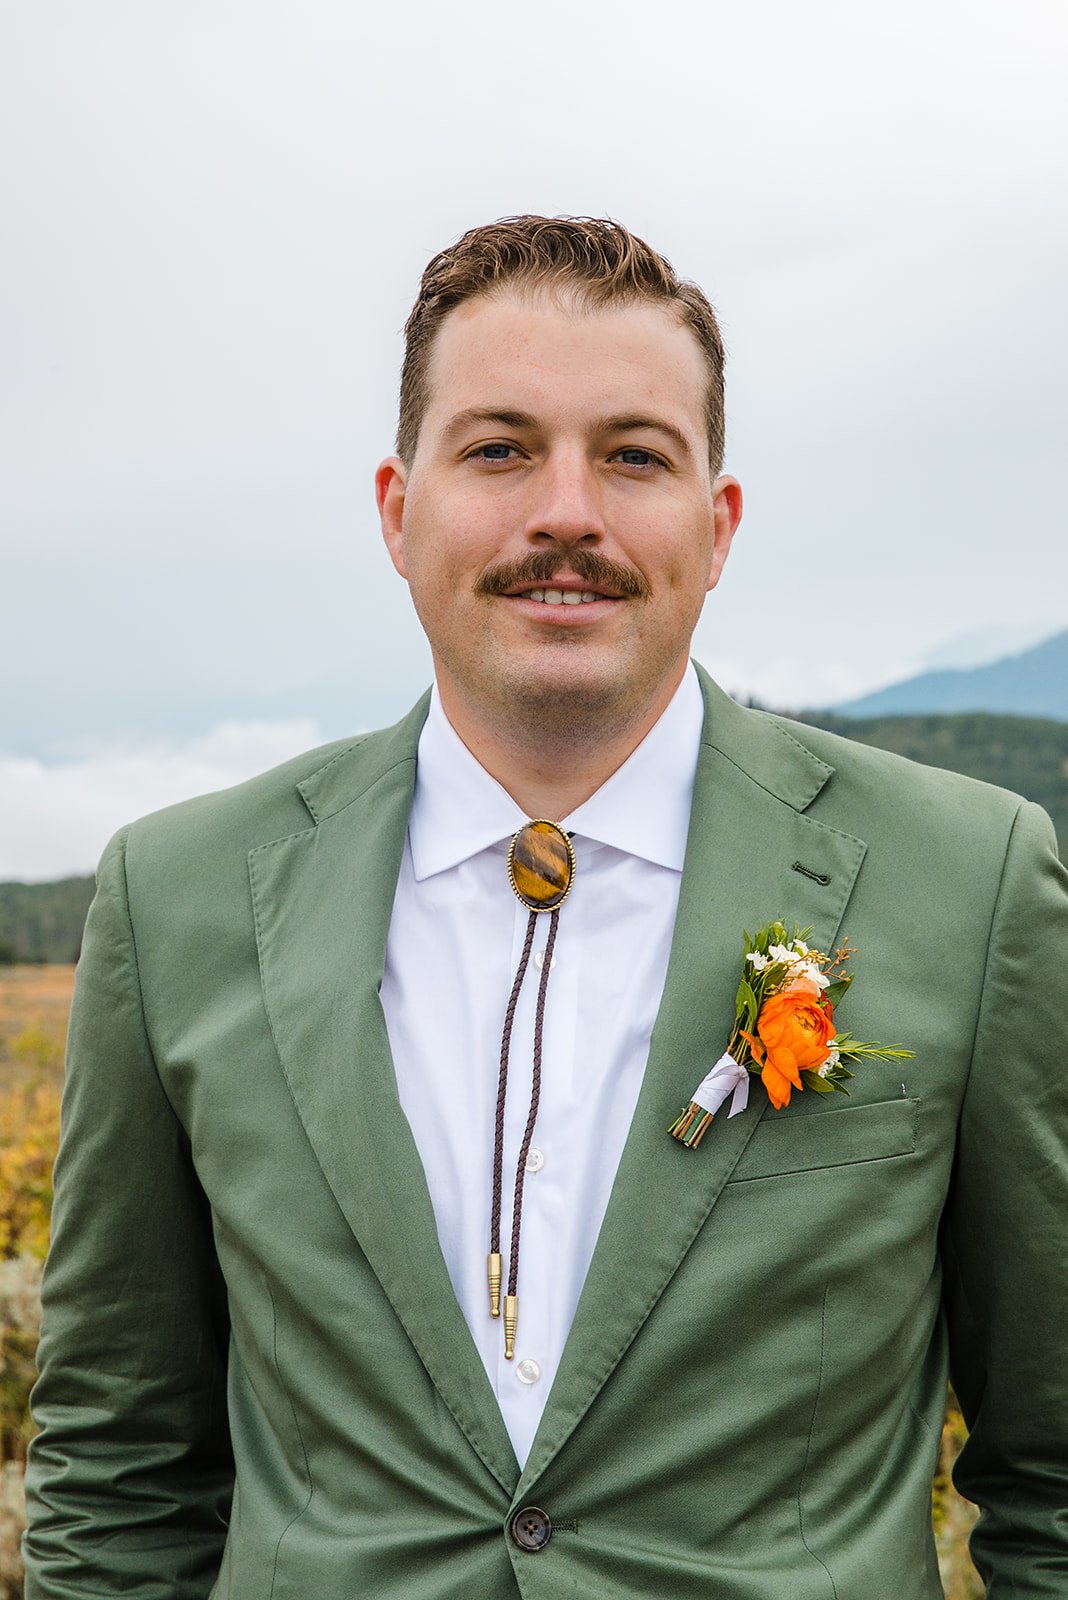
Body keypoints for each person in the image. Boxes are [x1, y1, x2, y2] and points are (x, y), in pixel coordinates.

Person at [24, 216, 1068, 1599]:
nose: (565, 511)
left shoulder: (971, 878)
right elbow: (117, 1473)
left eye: (634, 455)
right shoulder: (176, 899)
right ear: (399, 512)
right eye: (500, 448)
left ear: (718, 523)